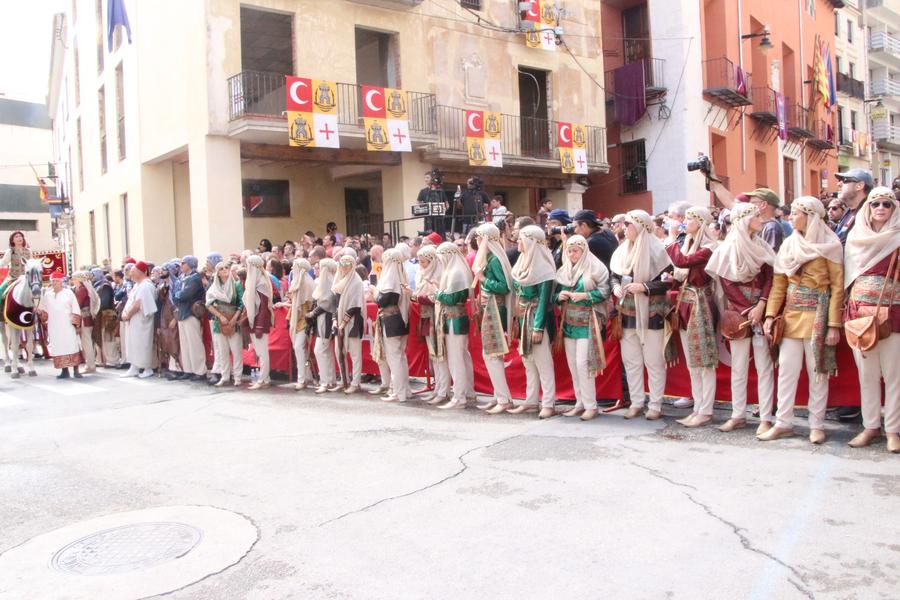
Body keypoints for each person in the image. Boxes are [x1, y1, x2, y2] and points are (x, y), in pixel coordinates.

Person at [762, 197, 844, 444]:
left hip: (818, 315)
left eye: (796, 213)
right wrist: (769, 315)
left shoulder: (830, 244)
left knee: (817, 371)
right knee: (787, 370)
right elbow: (779, 285)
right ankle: (783, 422)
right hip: (790, 317)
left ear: (811, 216)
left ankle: (816, 424)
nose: (790, 217)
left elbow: (837, 288)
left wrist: (833, 325)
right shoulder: (788, 245)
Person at [705, 202, 776, 434]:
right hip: (738, 313)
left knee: (764, 366)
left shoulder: (763, 246)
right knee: (738, 366)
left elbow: (770, 278)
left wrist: (762, 305)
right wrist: (748, 310)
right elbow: (728, 282)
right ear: (744, 219)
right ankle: (738, 414)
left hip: (761, 311)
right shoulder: (728, 248)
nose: (760, 218)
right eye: (755, 215)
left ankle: (766, 417)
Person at [843, 187, 900, 453]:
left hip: (894, 314)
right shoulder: (855, 237)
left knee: (894, 376)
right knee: (867, 375)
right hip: (858, 315)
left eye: (887, 204)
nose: (880, 208)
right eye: (875, 203)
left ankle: (893, 430)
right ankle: (870, 426)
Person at [610, 210, 673, 420]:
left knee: (653, 360)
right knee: (631, 360)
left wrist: (644, 286)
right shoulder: (622, 250)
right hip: (627, 311)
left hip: (651, 312)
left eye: (628, 224)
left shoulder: (658, 250)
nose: (624, 228)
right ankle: (637, 401)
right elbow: (614, 276)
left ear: (639, 225)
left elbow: (667, 280)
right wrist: (616, 287)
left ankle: (655, 404)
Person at [665, 207, 720, 428]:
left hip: (701, 306)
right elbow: (679, 268)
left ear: (700, 222)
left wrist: (670, 239)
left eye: (689, 219)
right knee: (692, 362)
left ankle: (706, 410)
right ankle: (698, 406)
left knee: (703, 361)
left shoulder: (708, 248)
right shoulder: (688, 243)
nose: (684, 222)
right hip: (686, 305)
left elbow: (682, 262)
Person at [555, 235, 611, 421]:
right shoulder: (565, 270)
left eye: (575, 250)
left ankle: (591, 405)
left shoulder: (596, 268)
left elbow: (605, 291)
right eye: (569, 250)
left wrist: (586, 295)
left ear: (584, 250)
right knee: (572, 364)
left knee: (583, 363)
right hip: (569, 322)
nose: (572, 254)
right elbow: (556, 293)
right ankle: (579, 402)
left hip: (588, 321)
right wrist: (559, 296)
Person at [509, 225, 558, 418]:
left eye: (521, 239)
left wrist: (538, 327)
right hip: (523, 317)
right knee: (528, 360)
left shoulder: (543, 268)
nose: (518, 242)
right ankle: (531, 400)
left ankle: (548, 402)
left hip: (537, 319)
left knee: (542, 360)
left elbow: (544, 301)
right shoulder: (522, 263)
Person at [473, 223, 515, 414]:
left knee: (492, 354)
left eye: (479, 237)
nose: (476, 241)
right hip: (489, 307)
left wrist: (483, 279)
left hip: (495, 309)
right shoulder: (488, 258)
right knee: (489, 354)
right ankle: (500, 395)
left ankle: (503, 398)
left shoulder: (494, 260)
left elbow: (504, 286)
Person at [434, 242, 475, 409]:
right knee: (462, 357)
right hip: (455, 318)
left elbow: (451, 298)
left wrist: (437, 292)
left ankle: (459, 396)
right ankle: (468, 392)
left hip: (455, 319)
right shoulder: (455, 270)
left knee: (456, 359)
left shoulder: (456, 272)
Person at [413, 246, 451, 405]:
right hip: (427, 317)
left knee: (440, 354)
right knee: (433, 355)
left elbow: (437, 297)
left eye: (424, 262)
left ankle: (444, 390)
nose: (422, 265)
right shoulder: (422, 274)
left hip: (436, 316)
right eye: (420, 262)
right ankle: (438, 388)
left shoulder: (439, 274)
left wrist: (418, 297)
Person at [373, 249, 411, 401]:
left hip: (392, 320)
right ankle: (404, 390)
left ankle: (399, 392)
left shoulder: (390, 278)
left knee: (395, 358)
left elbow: (382, 300)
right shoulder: (401, 275)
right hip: (400, 319)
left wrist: (375, 292)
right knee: (400, 357)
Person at [38, 272, 84, 379]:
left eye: (57, 281)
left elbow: (75, 308)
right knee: (59, 348)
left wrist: (76, 324)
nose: (55, 283)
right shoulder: (47, 295)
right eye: (53, 281)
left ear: (61, 282)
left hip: (67, 325)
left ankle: (76, 370)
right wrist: (40, 313)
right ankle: (64, 371)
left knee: (72, 346)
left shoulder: (68, 293)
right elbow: (45, 312)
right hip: (54, 327)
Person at [206, 261, 244, 387]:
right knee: (222, 351)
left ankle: (238, 377)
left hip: (234, 320)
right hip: (220, 322)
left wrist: (235, 318)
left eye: (226, 267)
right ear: (217, 273)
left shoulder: (236, 285)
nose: (224, 270)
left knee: (236, 350)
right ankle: (225, 376)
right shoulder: (214, 288)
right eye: (221, 269)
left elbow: (241, 302)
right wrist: (220, 316)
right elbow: (209, 304)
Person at [331, 255, 365, 392]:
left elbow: (355, 306)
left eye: (347, 265)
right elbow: (335, 303)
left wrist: (343, 324)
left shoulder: (356, 282)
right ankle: (344, 379)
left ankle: (355, 383)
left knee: (355, 353)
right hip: (339, 321)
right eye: (342, 265)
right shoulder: (340, 281)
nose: (344, 268)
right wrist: (335, 320)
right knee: (339, 351)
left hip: (353, 322)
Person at [280, 258, 315, 390]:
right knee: (301, 350)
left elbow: (307, 304)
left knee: (299, 348)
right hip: (296, 318)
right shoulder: (296, 282)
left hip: (304, 320)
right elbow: (294, 303)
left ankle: (302, 378)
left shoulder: (306, 283)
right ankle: (307, 375)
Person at [172, 256, 207, 381]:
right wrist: (177, 295)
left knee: (194, 343)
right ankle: (188, 369)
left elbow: (185, 294)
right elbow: (175, 293)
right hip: (182, 313)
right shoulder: (182, 277)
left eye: (184, 262)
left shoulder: (195, 278)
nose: (181, 265)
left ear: (190, 264)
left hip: (191, 314)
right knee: (185, 344)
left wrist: (177, 295)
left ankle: (199, 371)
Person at [120, 261, 158, 378]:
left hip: (141, 321)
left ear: (141, 273)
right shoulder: (138, 285)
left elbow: (138, 304)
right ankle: (134, 367)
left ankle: (147, 368)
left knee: (142, 343)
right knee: (133, 343)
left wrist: (128, 315)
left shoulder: (146, 285)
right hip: (134, 320)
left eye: (133, 273)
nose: (131, 276)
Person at [244, 255, 274, 390]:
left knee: (262, 352)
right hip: (254, 320)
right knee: (259, 350)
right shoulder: (253, 281)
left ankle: (262, 378)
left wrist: (260, 326)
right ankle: (265, 378)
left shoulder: (261, 283)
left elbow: (263, 307)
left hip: (260, 321)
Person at [310, 258, 338, 394]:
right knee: (326, 352)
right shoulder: (328, 282)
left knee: (320, 350)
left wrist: (313, 313)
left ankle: (325, 381)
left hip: (326, 320)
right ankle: (330, 380)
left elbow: (326, 304)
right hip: (323, 319)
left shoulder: (328, 282)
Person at [70, 271, 101, 374]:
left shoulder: (82, 290)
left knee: (86, 343)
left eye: (74, 279)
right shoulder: (82, 289)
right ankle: (90, 364)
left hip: (85, 319)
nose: (72, 281)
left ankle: (90, 366)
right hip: (87, 318)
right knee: (87, 343)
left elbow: (77, 304)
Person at [833, 168, 874, 243]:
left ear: (859, 186)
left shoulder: (870, 214)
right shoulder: (849, 210)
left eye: (845, 180)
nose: (838, 184)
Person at [92, 267, 119, 367]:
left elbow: (103, 303)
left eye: (94, 275)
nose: (93, 277)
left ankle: (111, 361)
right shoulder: (97, 285)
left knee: (108, 339)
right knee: (101, 338)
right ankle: (102, 360)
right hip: (100, 316)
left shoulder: (105, 286)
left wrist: (95, 310)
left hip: (106, 316)